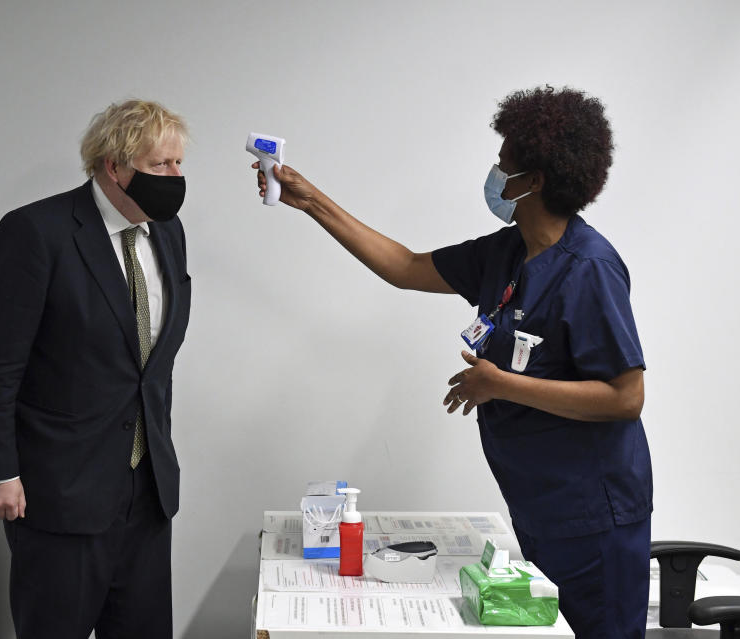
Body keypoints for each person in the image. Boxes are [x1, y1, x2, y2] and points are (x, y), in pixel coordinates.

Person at [252, 86, 651, 637]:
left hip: (593, 518)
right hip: (539, 506)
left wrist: (502, 384)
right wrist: (310, 200)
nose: (495, 174)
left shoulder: (589, 268)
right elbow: (407, 266)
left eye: (504, 165)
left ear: (534, 180)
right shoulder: (508, 252)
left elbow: (626, 396)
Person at [0, 99, 191, 639]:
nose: (177, 178)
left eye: (180, 164)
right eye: (162, 165)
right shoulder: (36, 233)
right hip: (58, 492)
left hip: (148, 490)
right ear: (115, 166)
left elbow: (148, 366)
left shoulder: (168, 233)